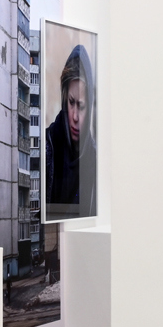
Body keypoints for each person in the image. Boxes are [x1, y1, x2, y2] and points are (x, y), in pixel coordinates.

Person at [44, 41, 96, 219]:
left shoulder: (95, 159)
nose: (74, 116)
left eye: (81, 106)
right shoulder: (47, 147)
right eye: (71, 102)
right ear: (64, 98)